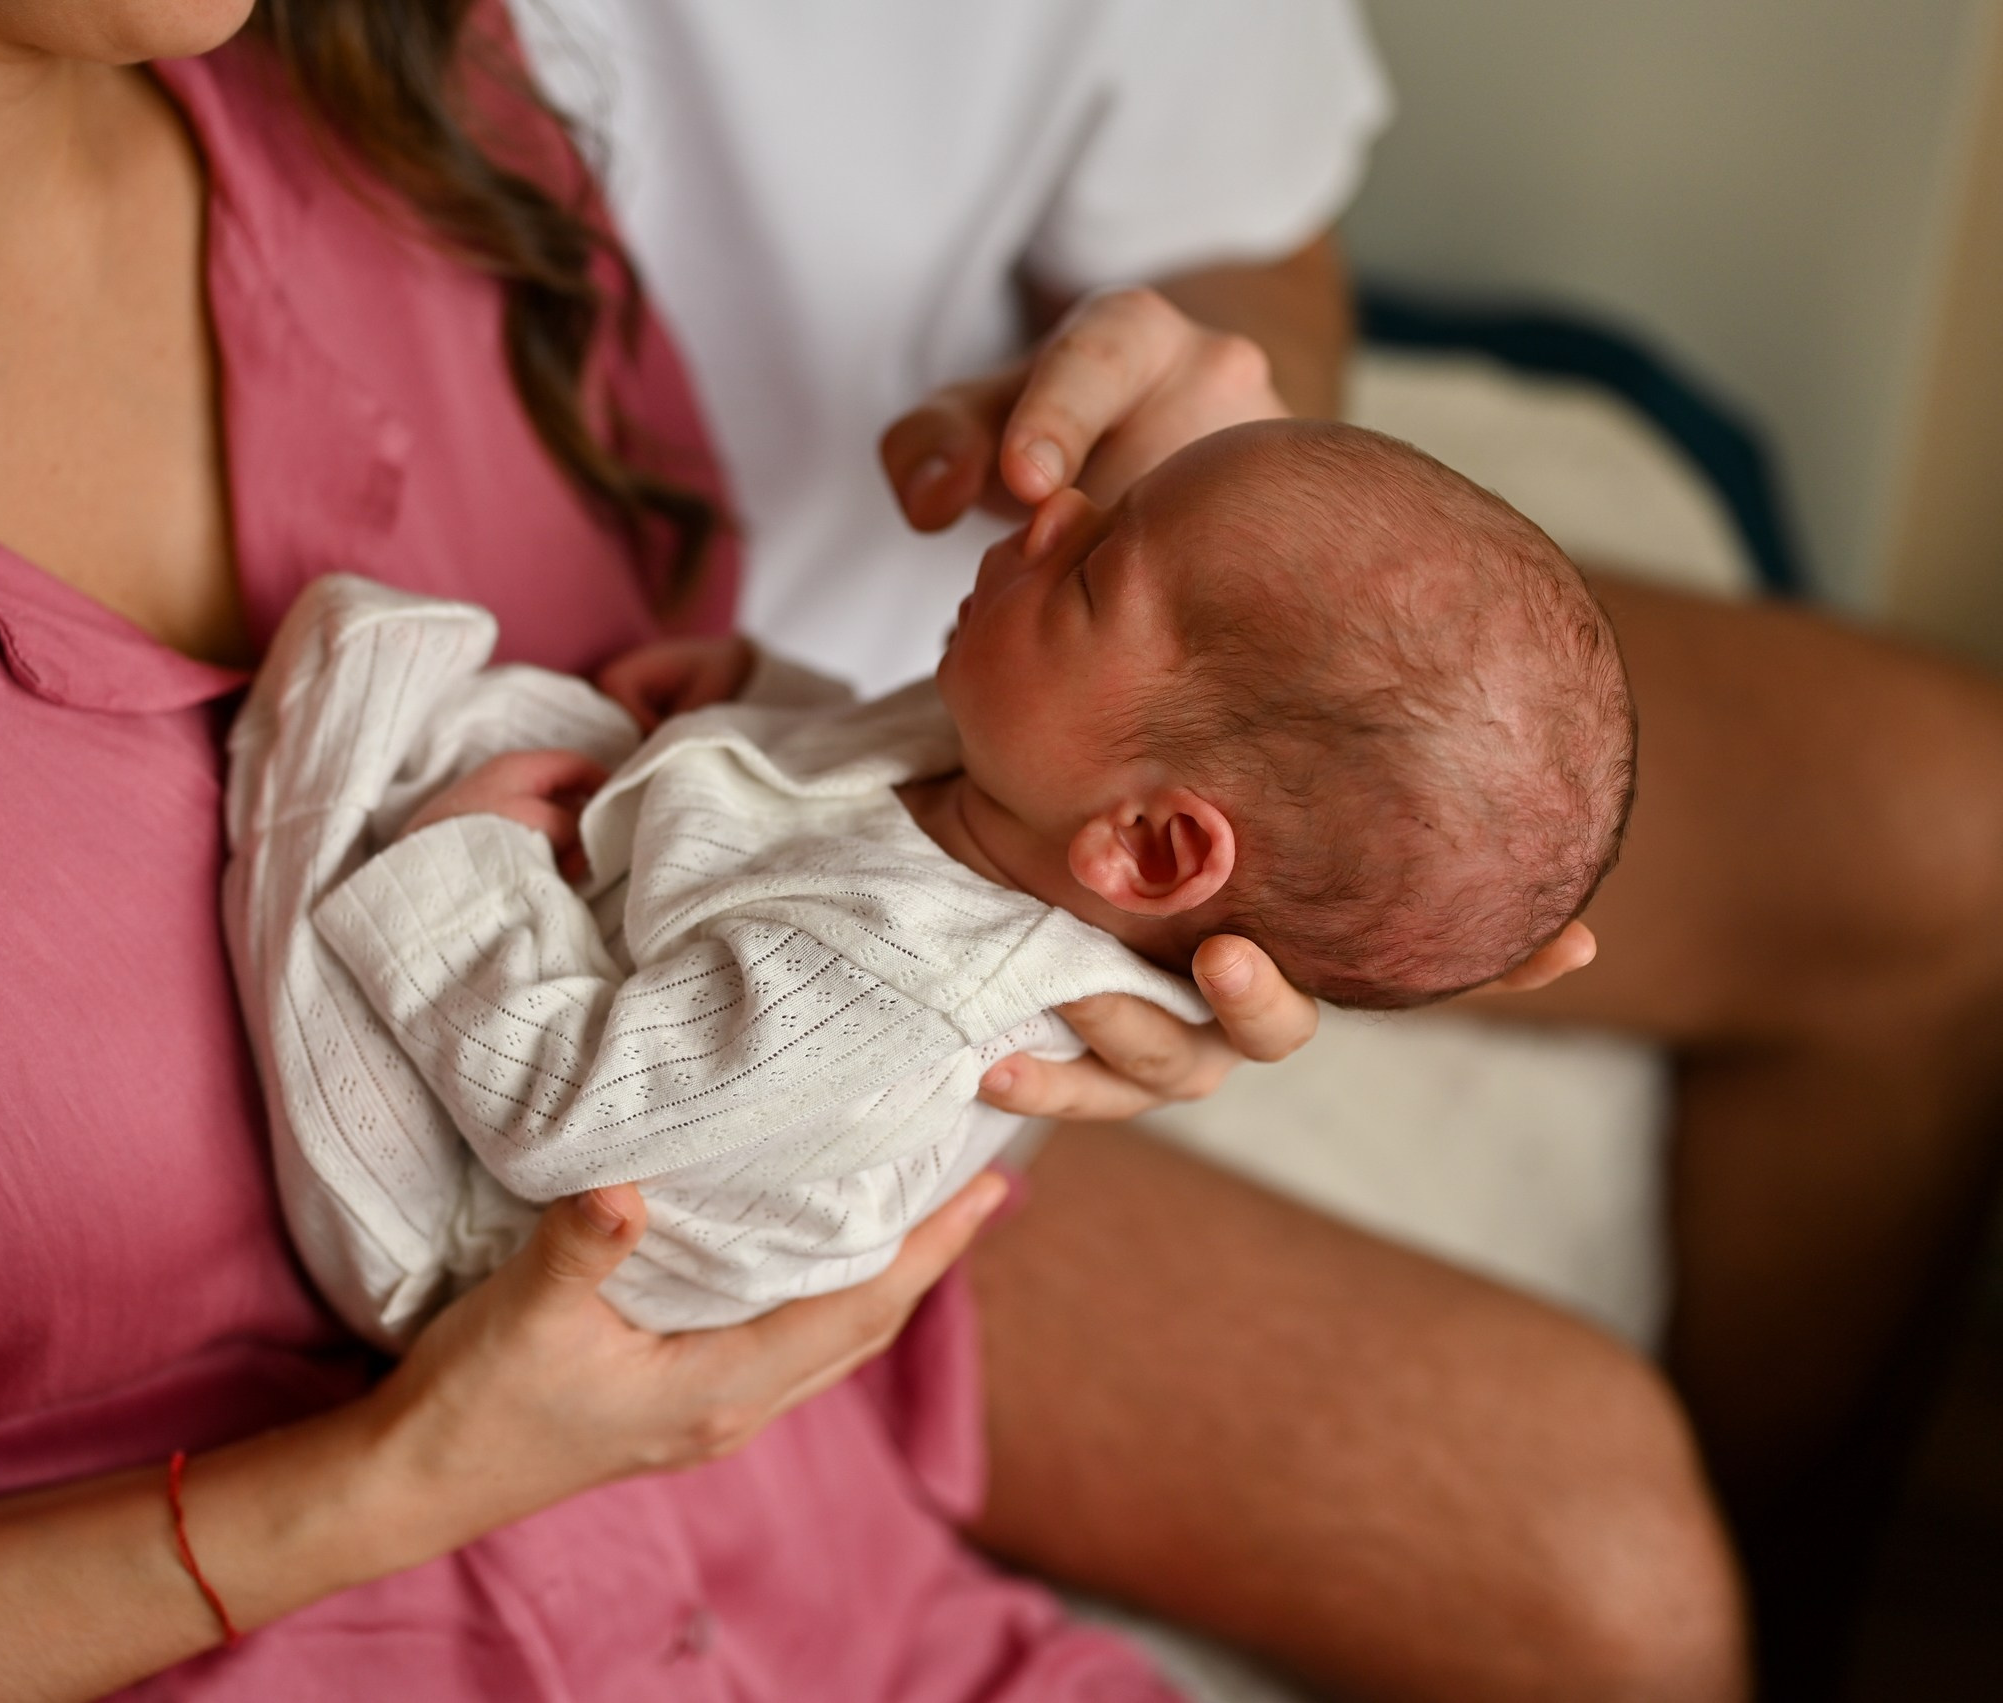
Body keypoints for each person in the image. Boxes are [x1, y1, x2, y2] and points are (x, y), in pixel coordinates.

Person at [0, 4, 1740, 1702]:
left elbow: (702, 771)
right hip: (309, 1599)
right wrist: (380, 1497)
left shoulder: (403, 116)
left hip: (825, 1583)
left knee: (1607, 1537)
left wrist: (1036, 821)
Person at [510, 0, 2003, 1681]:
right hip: (820, 747)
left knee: (1959, 829)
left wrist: (1192, 438)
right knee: (1605, 1564)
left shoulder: (1096, 589)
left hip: (1114, 667)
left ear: (1158, 860)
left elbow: (1245, 239)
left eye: (1087, 549)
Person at [237, 419, 1632, 1341]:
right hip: (617, 1048)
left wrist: (472, 865)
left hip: (471, 1231)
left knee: (363, 727)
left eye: (1091, 573)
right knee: (489, 726)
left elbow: (566, 1113)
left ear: (1149, 848)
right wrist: (757, 703)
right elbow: (862, 793)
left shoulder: (893, 996)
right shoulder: (1035, 786)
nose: (1051, 511)